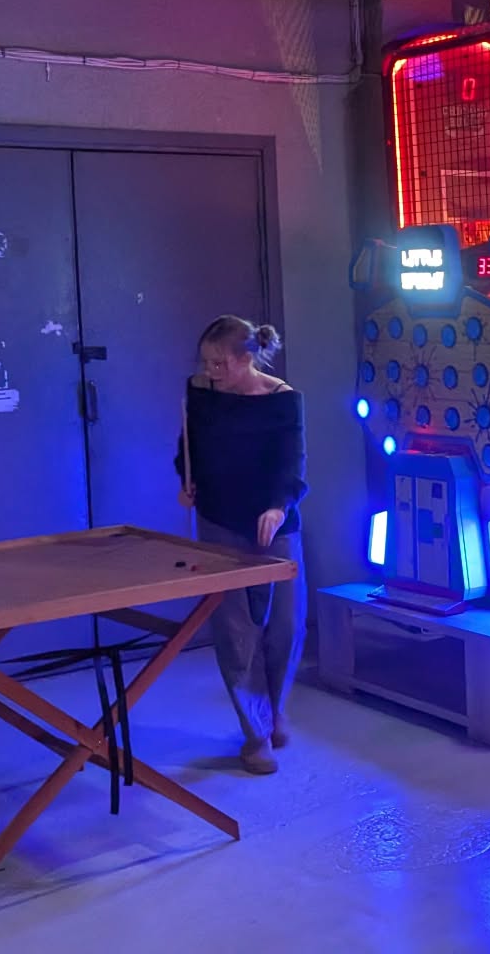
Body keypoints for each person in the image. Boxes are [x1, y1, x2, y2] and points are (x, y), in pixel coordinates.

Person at [176, 316, 307, 775]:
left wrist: (277, 507)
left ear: (246, 358)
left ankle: (274, 708)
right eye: (206, 362)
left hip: (274, 521)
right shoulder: (200, 392)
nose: (210, 371)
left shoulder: (283, 399)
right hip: (219, 518)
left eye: (220, 363)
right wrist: (186, 480)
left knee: (286, 625)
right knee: (235, 632)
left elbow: (292, 464)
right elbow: (188, 447)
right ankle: (256, 734)